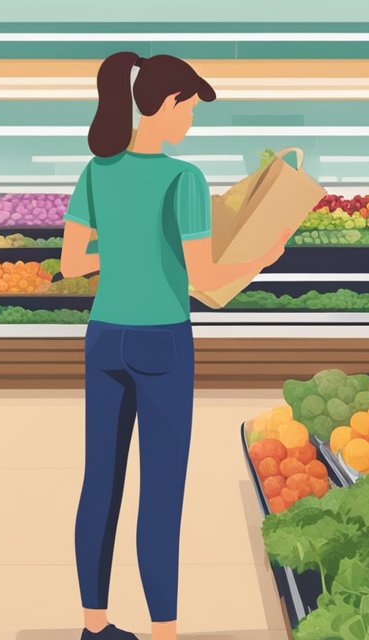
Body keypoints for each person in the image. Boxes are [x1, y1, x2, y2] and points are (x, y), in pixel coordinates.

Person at [60, 52, 291, 640]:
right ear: (166, 105)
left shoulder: (96, 171)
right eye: (189, 108)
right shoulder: (182, 178)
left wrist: (128, 250)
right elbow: (208, 279)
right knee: (160, 490)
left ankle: (95, 626)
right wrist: (261, 258)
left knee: (100, 483)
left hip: (104, 338)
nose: (190, 122)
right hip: (161, 342)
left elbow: (71, 264)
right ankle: (164, 631)